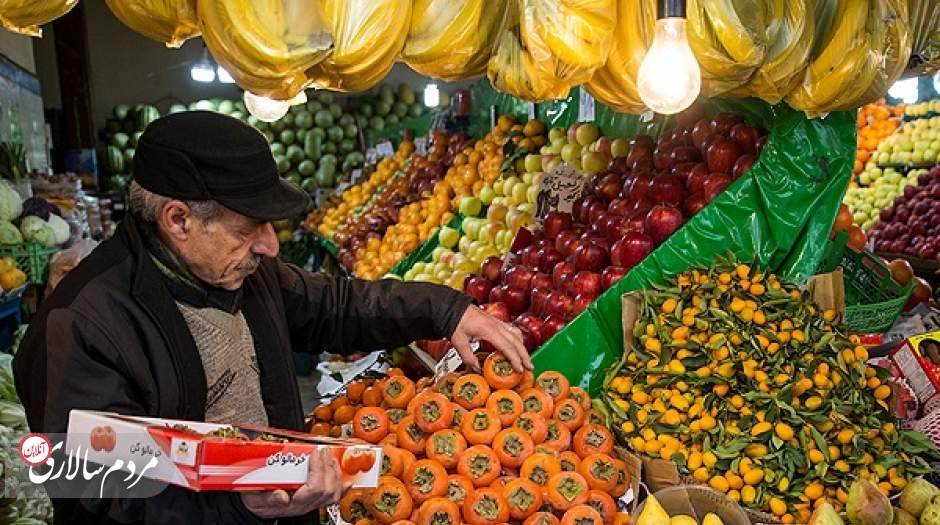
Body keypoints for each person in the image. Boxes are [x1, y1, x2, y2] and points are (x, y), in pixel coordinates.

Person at [13, 111, 530, 524]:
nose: (270, 244)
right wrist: (235, 508)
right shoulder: (80, 324)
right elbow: (94, 487)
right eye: (250, 227)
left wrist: (447, 309)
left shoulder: (245, 274)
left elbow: (339, 307)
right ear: (178, 219)